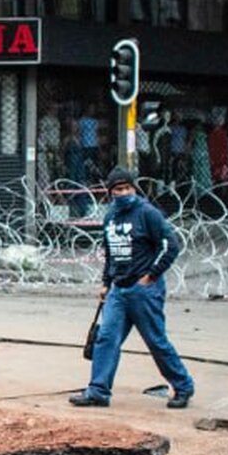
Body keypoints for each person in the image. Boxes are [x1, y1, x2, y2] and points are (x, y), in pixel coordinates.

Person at [70, 167, 194, 409]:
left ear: (134, 189)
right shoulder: (111, 217)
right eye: (118, 189)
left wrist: (151, 276)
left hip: (144, 290)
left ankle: (183, 386)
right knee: (106, 339)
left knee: (156, 341)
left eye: (127, 188)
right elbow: (111, 254)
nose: (124, 192)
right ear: (111, 192)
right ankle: (98, 390)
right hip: (119, 288)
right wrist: (107, 283)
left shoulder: (148, 214)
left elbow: (171, 246)